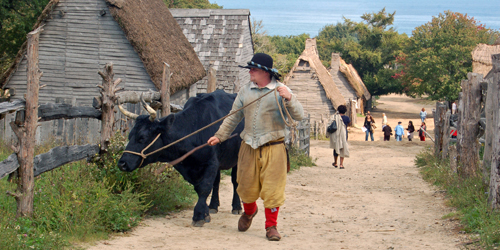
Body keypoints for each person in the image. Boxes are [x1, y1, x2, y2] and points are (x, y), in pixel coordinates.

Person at [207, 53, 304, 241]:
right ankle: (249, 212)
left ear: (266, 73)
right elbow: (234, 116)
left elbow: (299, 115)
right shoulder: (245, 91)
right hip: (248, 146)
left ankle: (271, 227)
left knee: (273, 189)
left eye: (254, 69)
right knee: (245, 186)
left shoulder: (281, 90)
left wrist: (290, 98)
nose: (250, 72)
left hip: (274, 147)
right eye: (250, 68)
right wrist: (220, 136)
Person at [328, 105, 350, 169]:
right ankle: (341, 164)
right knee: (343, 148)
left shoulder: (335, 117)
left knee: (336, 148)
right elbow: (349, 124)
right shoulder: (346, 118)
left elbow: (330, 125)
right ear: (345, 111)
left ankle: (335, 163)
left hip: (336, 135)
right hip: (344, 135)